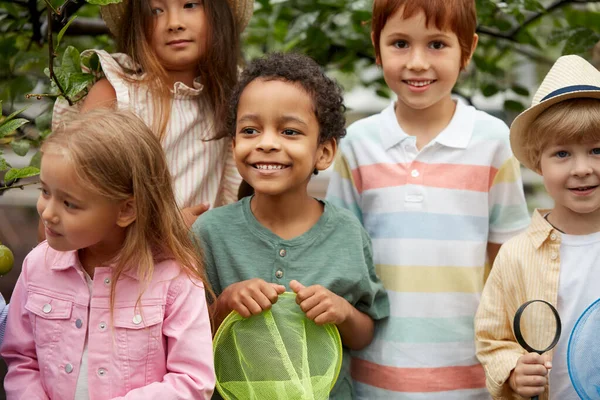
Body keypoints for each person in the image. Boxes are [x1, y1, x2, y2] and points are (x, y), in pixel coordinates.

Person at [325, 0, 531, 398]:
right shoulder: (357, 146)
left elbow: (511, 266)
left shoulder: (493, 143)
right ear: (376, 45)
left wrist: (512, 359)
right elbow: (341, 260)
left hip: (472, 375)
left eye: (437, 45)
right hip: (373, 378)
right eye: (400, 43)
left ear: (466, 51)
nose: (417, 63)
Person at [192, 52, 390, 399]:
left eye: (289, 131)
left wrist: (342, 312)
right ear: (235, 143)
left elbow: (364, 334)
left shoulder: (346, 234)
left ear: (324, 153)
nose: (267, 142)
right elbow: (183, 336)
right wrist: (223, 305)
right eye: (251, 130)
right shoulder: (209, 233)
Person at [1, 110, 215, 399]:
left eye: (70, 204)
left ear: (126, 210)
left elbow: (192, 380)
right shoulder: (37, 266)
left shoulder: (175, 279)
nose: (48, 213)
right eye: (44, 191)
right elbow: (21, 359)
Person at [51, 0, 255, 228]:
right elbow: (77, 196)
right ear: (137, 25)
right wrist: (167, 228)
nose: (174, 23)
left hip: (199, 259)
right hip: (128, 257)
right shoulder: (116, 93)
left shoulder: (233, 97)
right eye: (155, 11)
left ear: (219, 15)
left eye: (189, 5)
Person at [475, 55, 600, 400]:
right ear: (537, 163)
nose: (582, 168)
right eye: (562, 154)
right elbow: (492, 340)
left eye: (597, 150)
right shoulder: (516, 255)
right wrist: (514, 370)